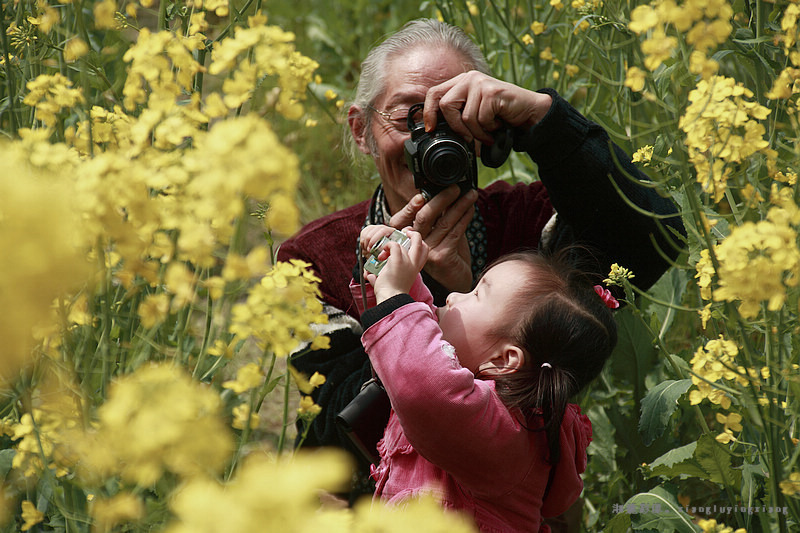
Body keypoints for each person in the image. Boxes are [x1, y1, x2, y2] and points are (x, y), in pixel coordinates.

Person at [279, 18, 685, 495]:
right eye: (409, 115)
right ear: (362, 130)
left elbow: (655, 237)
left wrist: (545, 120)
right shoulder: (313, 258)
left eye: (453, 117)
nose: (427, 139)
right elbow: (334, 435)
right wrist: (407, 291)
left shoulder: (526, 226)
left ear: (488, 133)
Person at [352, 224, 617, 533]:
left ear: (503, 361)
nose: (452, 297)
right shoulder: (469, 386)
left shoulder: (507, 431)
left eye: (476, 295)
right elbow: (417, 343)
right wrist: (382, 272)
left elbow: (423, 381)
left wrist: (393, 297)